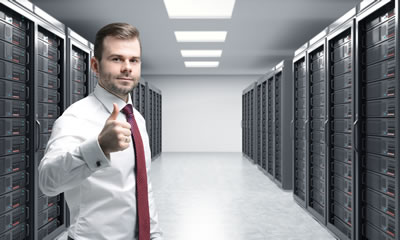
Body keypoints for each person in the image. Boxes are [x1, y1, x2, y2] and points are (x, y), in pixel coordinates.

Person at [38, 23, 163, 240]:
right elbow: (47, 182)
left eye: (133, 60)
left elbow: (142, 185)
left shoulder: (138, 119)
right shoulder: (76, 117)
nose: (127, 67)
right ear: (95, 66)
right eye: (117, 59)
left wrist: (153, 234)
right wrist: (99, 147)